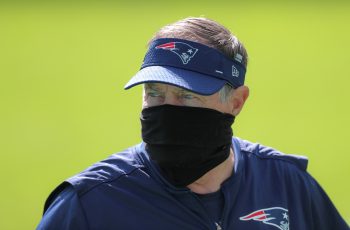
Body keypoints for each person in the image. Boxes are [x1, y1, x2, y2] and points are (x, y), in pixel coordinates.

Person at [37, 17, 349, 230]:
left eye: (187, 96)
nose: (167, 110)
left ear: (236, 102)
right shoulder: (88, 204)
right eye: (155, 94)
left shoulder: (286, 185)